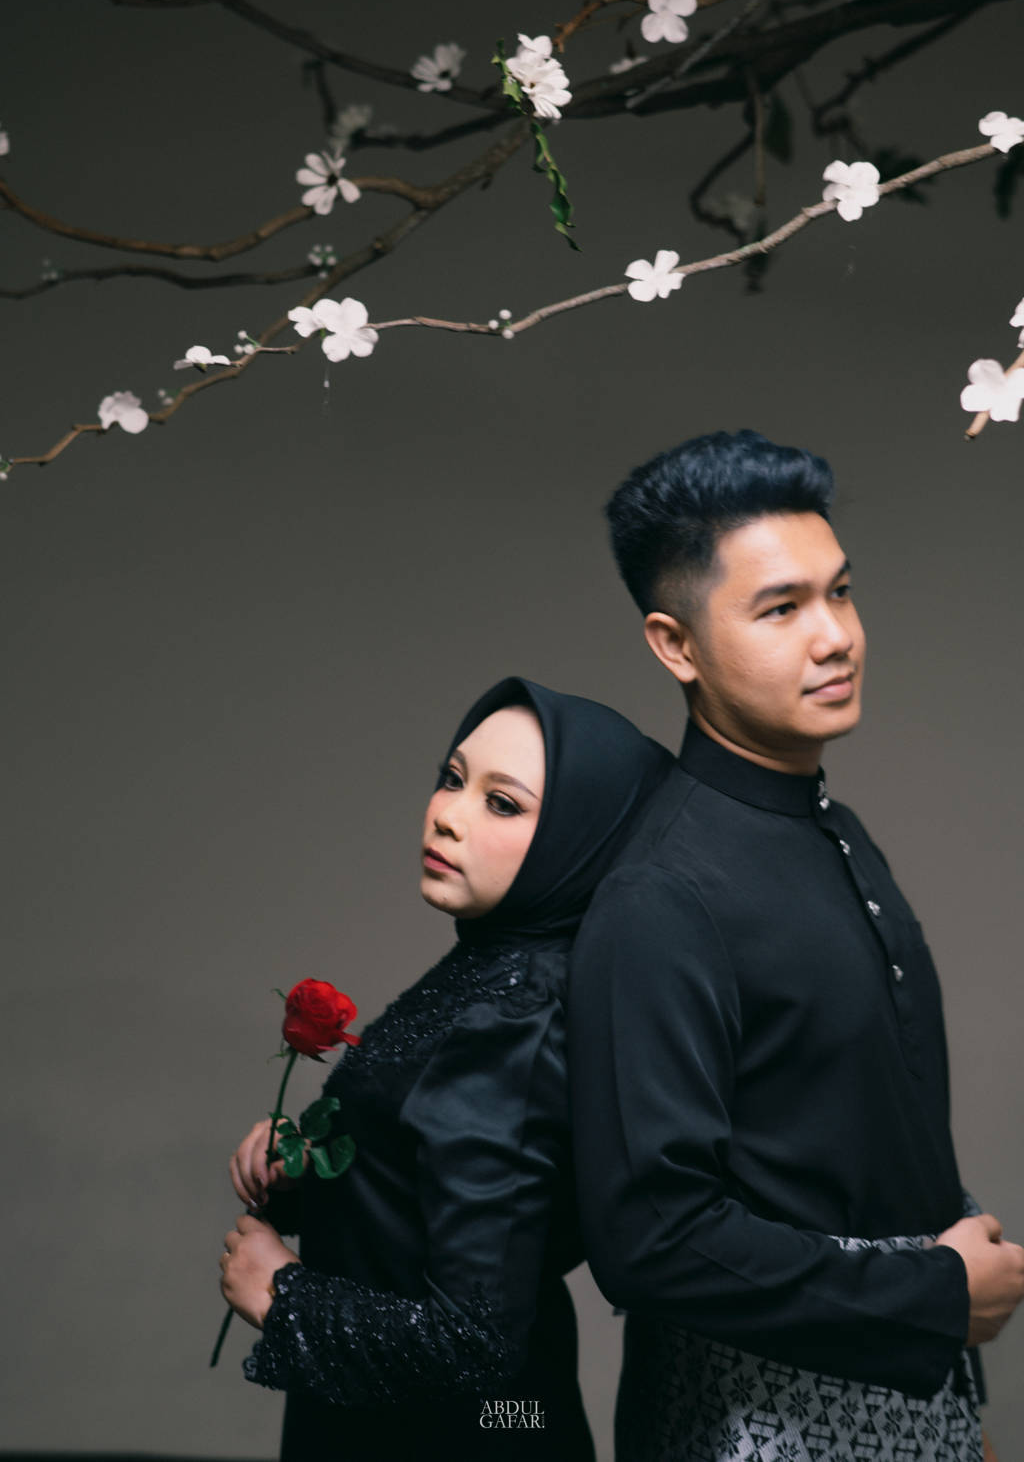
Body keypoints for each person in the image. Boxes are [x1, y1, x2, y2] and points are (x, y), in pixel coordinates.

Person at [568, 430, 1024, 1462]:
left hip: (915, 1402)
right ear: (676, 645)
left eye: (841, 593)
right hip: (756, 1427)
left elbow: (874, 1145)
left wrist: (957, 1410)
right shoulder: (660, 895)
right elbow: (652, 1240)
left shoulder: (834, 828)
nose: (836, 637)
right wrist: (935, 1295)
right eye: (781, 608)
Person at [218, 675, 672, 1461]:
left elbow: (472, 1340)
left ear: (580, 838)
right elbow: (446, 1190)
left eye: (502, 802)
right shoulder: (497, 964)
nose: (448, 814)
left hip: (485, 1428)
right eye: (452, 777)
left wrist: (284, 1294)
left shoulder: (517, 1012)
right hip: (483, 1420)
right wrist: (315, 1171)